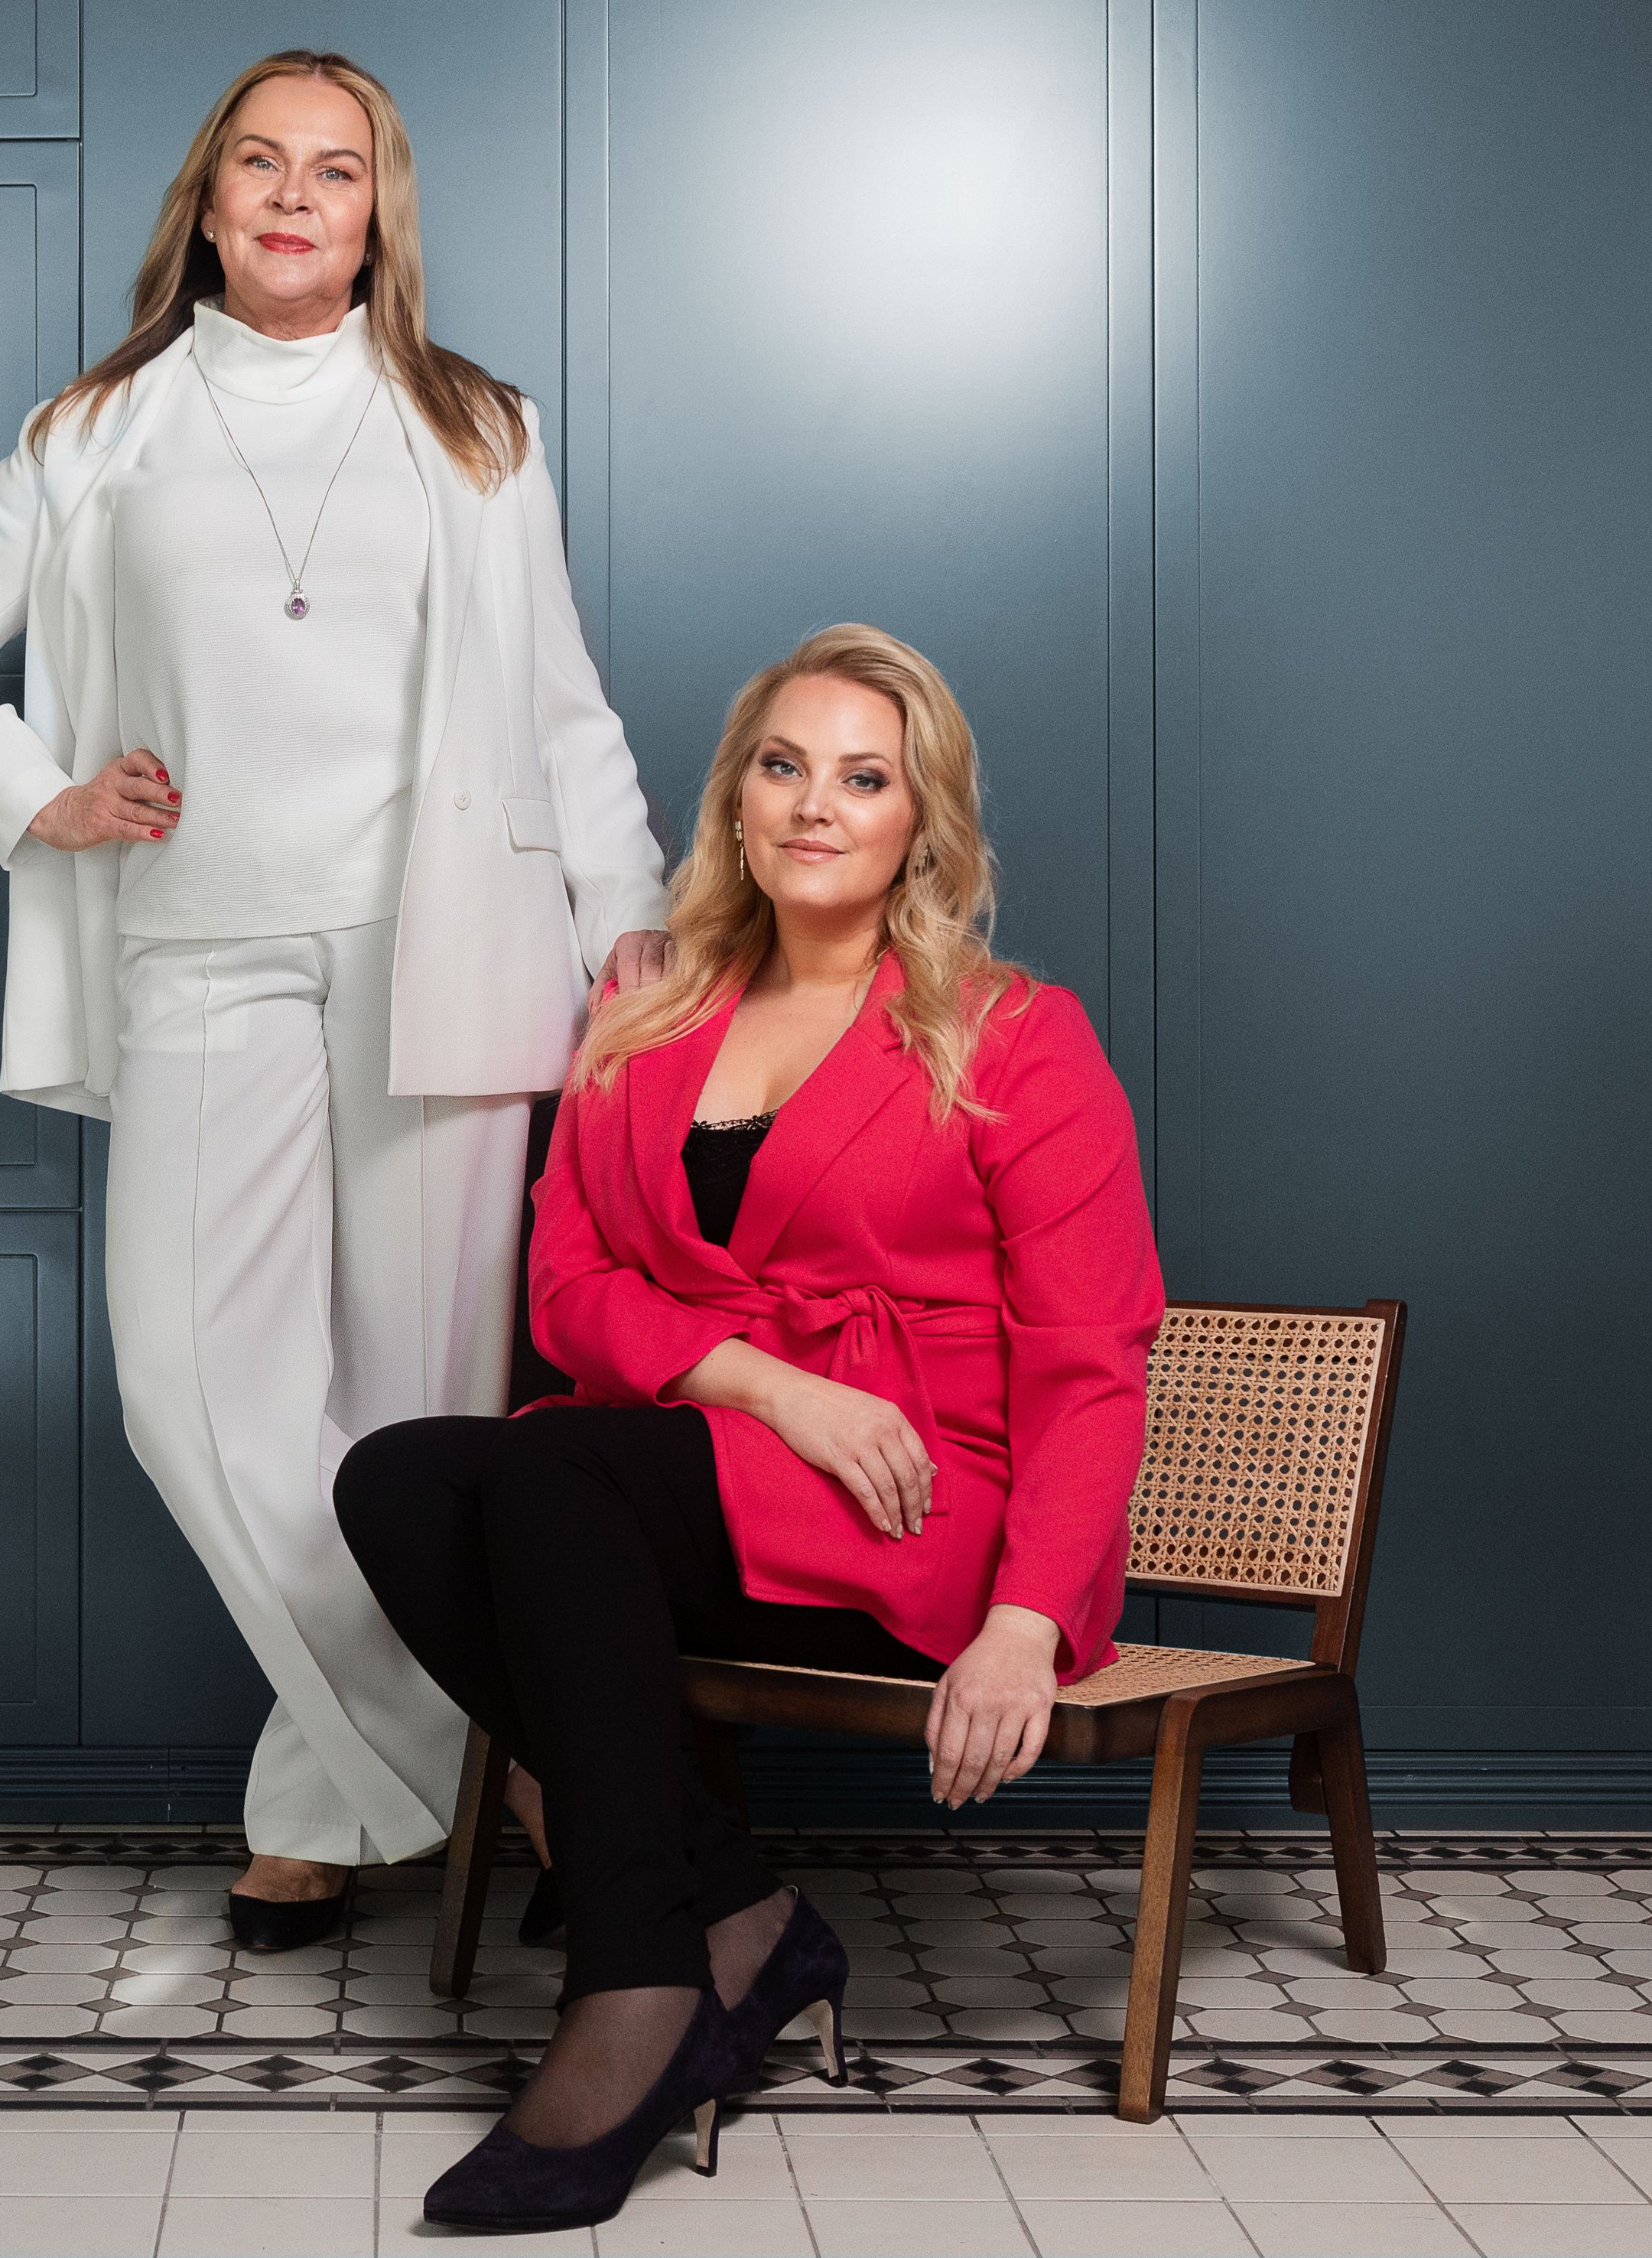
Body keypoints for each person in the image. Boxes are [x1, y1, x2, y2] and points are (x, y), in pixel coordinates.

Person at [0, 51, 669, 1947]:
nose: (298, 196)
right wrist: (38, 792)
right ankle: (511, 1756)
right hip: (200, 946)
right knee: (196, 1394)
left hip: (443, 950)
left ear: (379, 213)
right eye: (260, 163)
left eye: (337, 169)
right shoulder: (98, 427)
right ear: (209, 204)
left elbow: (558, 706)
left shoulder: (478, 425)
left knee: (416, 1422)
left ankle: (318, 1801)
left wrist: (630, 935)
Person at [336, 625, 1164, 2231]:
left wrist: (1022, 1623)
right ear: (735, 798)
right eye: (784, 765)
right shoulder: (646, 1001)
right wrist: (766, 1382)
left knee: (552, 1463)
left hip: (915, 1502)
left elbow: (1091, 1360)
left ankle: (634, 1979)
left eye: (864, 778)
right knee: (401, 1479)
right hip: (711, 1463)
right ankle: (732, 1907)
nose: (814, 804)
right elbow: (569, 1284)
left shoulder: (1011, 1031)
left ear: (922, 821)